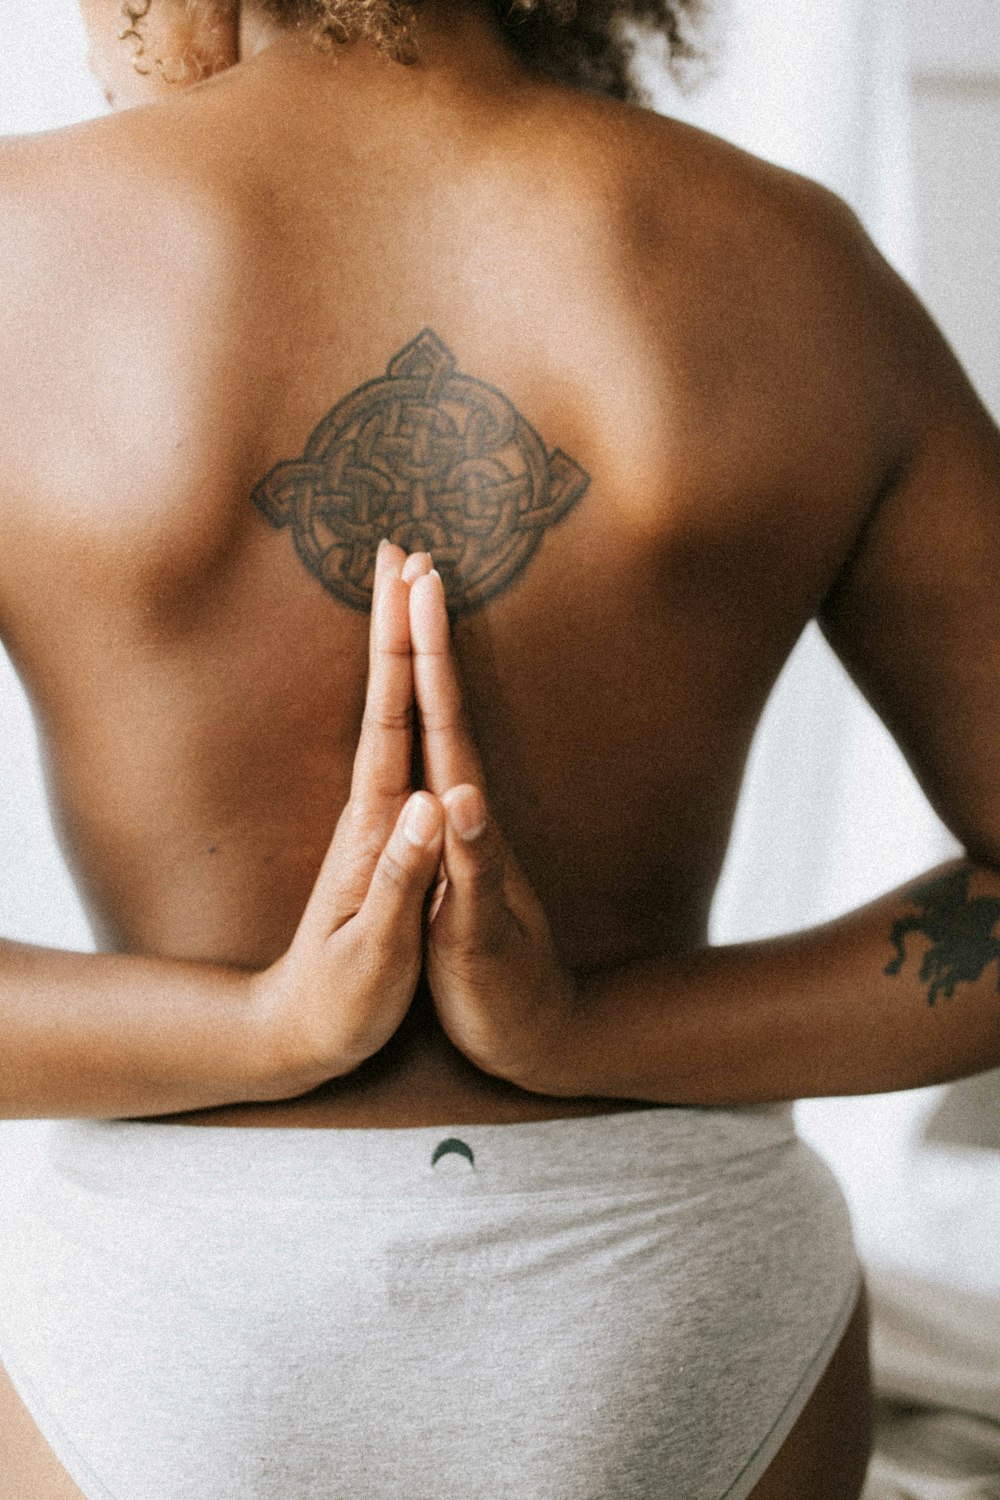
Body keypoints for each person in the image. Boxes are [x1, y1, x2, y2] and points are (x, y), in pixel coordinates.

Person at [1, 0, 999, 1494]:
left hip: (176, 1311)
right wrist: (587, 1031)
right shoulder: (788, 259)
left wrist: (271, 1031)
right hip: (674, 1289)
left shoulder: (22, 249)